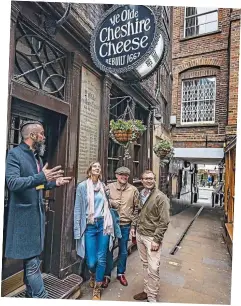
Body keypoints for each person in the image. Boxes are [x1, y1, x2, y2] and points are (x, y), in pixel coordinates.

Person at [5, 121, 71, 298]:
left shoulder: (37, 158)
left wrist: (52, 183)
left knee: (32, 259)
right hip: (22, 219)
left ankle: (31, 295)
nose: (44, 137)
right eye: (41, 134)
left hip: (37, 217)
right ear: (32, 136)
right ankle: (41, 296)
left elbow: (36, 186)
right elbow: (12, 183)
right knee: (33, 261)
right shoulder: (14, 155)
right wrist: (41, 176)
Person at [74, 162, 114, 300]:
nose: (97, 168)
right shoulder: (82, 187)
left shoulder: (103, 187)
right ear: (89, 170)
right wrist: (77, 230)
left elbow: (108, 205)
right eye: (94, 166)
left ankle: (97, 288)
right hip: (90, 226)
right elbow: (78, 208)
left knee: (101, 258)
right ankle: (92, 274)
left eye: (99, 166)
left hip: (103, 224)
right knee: (91, 261)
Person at [133, 170, 170, 303]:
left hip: (152, 238)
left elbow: (164, 221)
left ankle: (152, 297)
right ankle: (146, 290)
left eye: (151, 179)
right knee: (145, 264)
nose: (149, 181)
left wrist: (157, 239)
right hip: (140, 234)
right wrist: (133, 227)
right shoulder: (141, 194)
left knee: (153, 267)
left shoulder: (161, 197)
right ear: (142, 181)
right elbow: (137, 211)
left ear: (154, 180)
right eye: (146, 179)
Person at [102, 167, 139, 288]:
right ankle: (106, 275)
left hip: (125, 224)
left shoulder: (133, 190)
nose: (124, 177)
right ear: (116, 175)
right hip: (111, 224)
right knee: (109, 250)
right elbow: (102, 202)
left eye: (126, 175)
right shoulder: (108, 187)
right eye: (121, 174)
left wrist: (133, 226)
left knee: (123, 250)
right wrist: (111, 202)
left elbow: (136, 209)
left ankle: (120, 273)